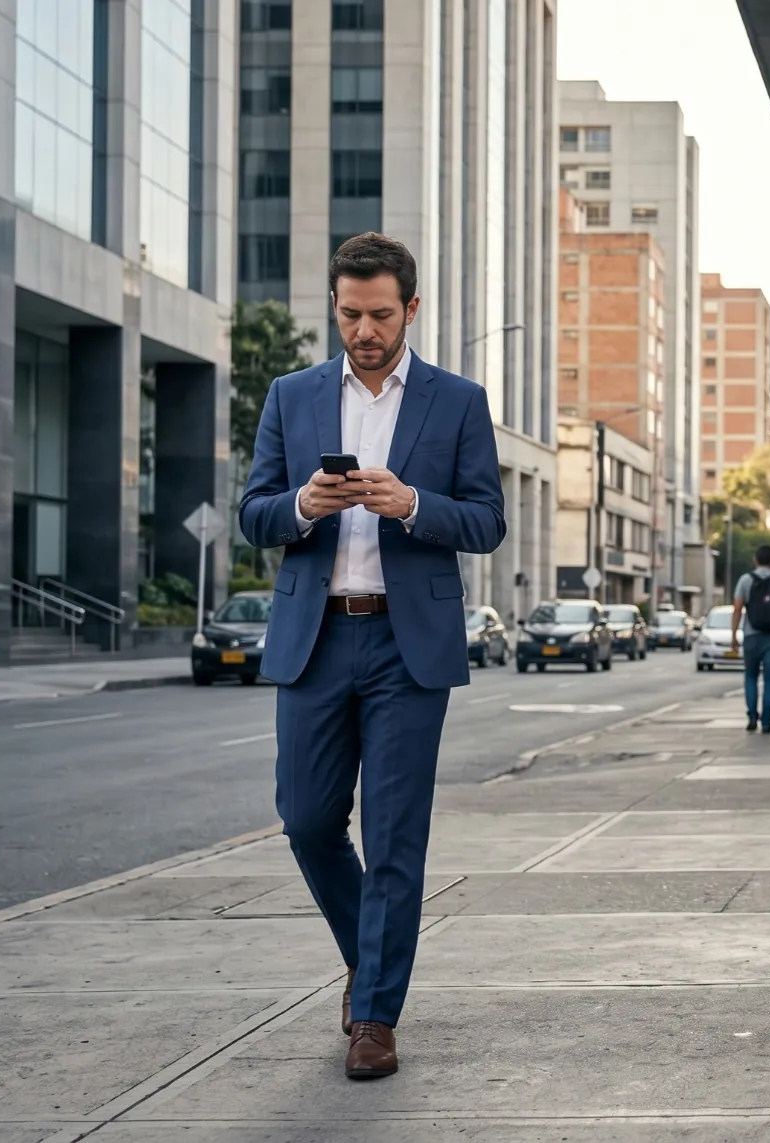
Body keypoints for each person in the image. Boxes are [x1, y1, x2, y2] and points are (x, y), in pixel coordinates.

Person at [239, 233, 506, 1080]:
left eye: (380, 314)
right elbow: (253, 511)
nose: (364, 329)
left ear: (411, 310)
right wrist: (302, 506)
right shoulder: (292, 394)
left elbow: (487, 520)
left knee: (394, 834)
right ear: (336, 308)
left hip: (406, 643)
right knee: (308, 820)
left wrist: (414, 502)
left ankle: (376, 1014)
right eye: (350, 313)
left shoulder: (457, 400)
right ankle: (371, 949)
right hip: (315, 636)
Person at [731, 545, 770, 733]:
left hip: (751, 636)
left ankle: (752, 716)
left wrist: (734, 635)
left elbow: (737, 609)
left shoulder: (745, 580)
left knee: (750, 676)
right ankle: (767, 721)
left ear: (755, 560)